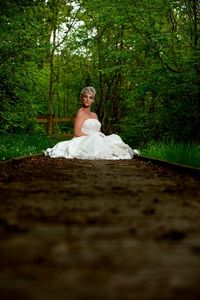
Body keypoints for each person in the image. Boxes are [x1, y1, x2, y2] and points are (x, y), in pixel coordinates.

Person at [44, 86, 139, 160]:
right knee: (96, 140)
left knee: (115, 138)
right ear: (82, 98)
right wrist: (92, 137)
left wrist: (100, 137)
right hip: (83, 140)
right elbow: (77, 133)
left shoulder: (94, 115)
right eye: (85, 96)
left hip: (96, 139)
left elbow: (99, 132)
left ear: (93, 100)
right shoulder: (80, 113)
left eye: (91, 97)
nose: (88, 99)